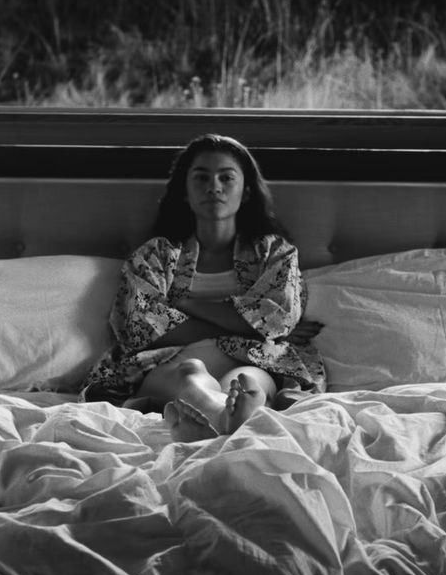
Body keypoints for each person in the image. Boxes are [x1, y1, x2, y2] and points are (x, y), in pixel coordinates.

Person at [82, 134, 325, 440]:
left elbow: (278, 319)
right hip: (171, 361)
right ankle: (222, 418)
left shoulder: (275, 253)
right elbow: (136, 326)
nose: (214, 187)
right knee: (191, 372)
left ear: (246, 191)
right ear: (185, 191)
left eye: (227, 177)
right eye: (201, 178)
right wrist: (247, 325)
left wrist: (186, 305)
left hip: (252, 359)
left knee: (247, 382)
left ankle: (220, 418)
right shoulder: (156, 254)